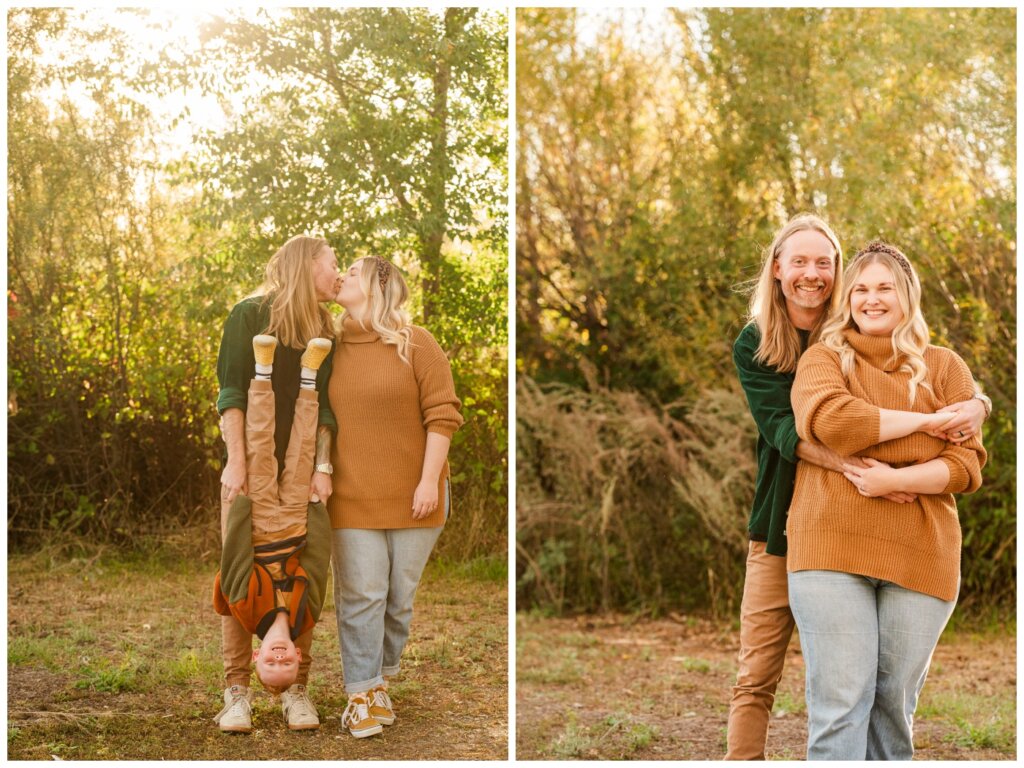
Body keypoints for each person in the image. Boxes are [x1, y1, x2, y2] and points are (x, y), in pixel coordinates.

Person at [725, 216, 989, 760]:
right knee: (767, 676)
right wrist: (913, 435)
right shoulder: (769, 344)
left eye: (824, 263)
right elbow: (799, 428)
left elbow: (966, 456)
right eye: (799, 261)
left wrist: (975, 408)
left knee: (889, 701)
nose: (812, 274)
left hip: (910, 541)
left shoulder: (914, 354)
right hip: (791, 523)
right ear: (776, 269)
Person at [326, 256, 464, 738]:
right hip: (350, 495)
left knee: (398, 602)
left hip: (417, 494)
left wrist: (428, 481)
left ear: (378, 287)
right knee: (363, 594)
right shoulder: (328, 347)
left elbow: (442, 415)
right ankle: (361, 693)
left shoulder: (417, 342)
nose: (341, 275)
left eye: (354, 270)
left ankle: (379, 680)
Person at [214, 235, 341, 733]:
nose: (339, 272)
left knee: (303, 576)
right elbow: (231, 392)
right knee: (235, 583)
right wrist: (235, 461)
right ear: (307, 263)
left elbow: (326, 406)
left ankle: (298, 690)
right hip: (251, 468)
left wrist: (323, 466)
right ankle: (236, 693)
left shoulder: (324, 329)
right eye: (333, 263)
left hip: (304, 465)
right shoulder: (248, 315)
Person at [213, 334, 332, 707]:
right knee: (302, 447)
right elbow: (317, 562)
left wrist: (241, 505)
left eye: (270, 661)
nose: (278, 656)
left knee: (259, 444)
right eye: (285, 662)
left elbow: (233, 557)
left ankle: (262, 368)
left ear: (256, 655)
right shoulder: (305, 615)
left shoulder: (245, 610)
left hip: (259, 520)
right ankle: (309, 374)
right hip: (298, 521)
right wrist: (317, 511)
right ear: (298, 656)